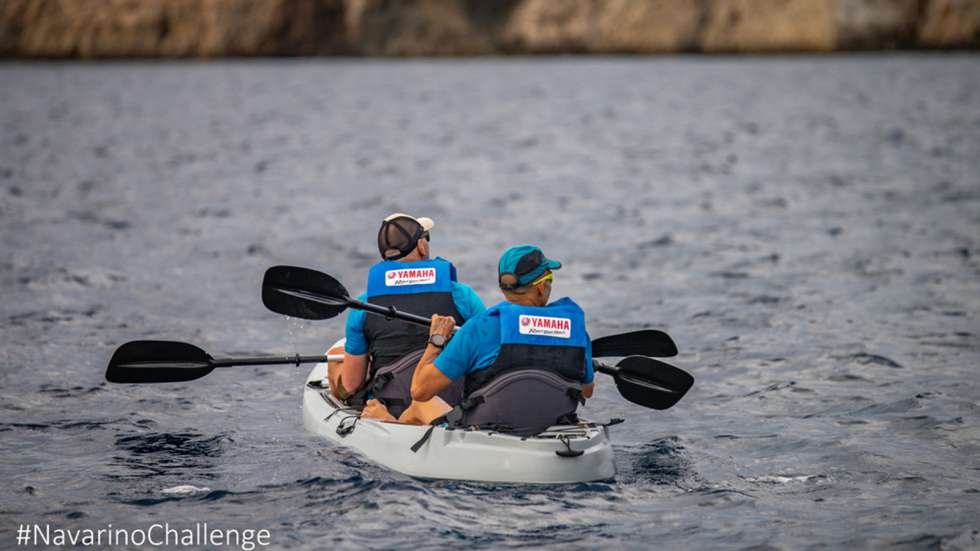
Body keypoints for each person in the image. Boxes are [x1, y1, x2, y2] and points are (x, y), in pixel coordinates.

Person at [405, 244, 595, 436]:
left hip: (485, 431)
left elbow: (420, 390)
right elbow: (587, 390)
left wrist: (436, 340)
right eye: (550, 279)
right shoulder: (576, 330)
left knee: (419, 404)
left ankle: (382, 420)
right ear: (540, 287)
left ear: (504, 288)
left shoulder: (479, 328)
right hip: (554, 428)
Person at [325, 213, 485, 419]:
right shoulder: (462, 295)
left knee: (337, 360)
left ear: (384, 256)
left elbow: (352, 385)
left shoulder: (363, 306)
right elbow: (487, 354)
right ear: (421, 246)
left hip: (390, 408)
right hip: (450, 406)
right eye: (426, 238)